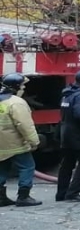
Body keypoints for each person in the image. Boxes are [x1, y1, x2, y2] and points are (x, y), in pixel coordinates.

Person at [0, 73, 42, 207]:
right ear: (16, 86)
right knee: (27, 167)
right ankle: (23, 196)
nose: (24, 88)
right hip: (15, 144)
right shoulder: (16, 103)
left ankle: (1, 198)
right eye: (22, 85)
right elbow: (25, 125)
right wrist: (34, 141)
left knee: (2, 168)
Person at [55, 70, 80, 201]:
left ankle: (61, 193)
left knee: (67, 164)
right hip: (79, 136)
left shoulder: (67, 94)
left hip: (65, 134)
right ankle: (73, 193)